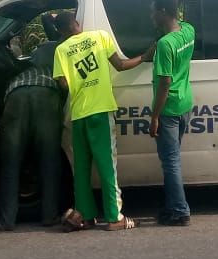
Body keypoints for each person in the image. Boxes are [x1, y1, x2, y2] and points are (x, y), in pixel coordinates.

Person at [54, 18, 152, 231]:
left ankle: (86, 216)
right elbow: (120, 65)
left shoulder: (61, 50)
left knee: (80, 169)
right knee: (107, 165)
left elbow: (63, 84)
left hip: (79, 114)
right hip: (100, 111)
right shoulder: (100, 36)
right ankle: (114, 218)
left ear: (60, 31)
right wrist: (144, 57)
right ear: (77, 23)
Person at [0, 12, 76, 231]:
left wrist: (50, 17)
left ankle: (7, 220)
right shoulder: (68, 49)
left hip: (16, 94)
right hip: (47, 94)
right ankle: (49, 215)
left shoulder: (40, 52)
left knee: (11, 161)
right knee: (49, 159)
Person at [149, 0, 195, 227]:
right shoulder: (188, 31)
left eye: (154, 10)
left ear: (163, 12)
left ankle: (179, 210)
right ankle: (173, 206)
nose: (152, 15)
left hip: (168, 109)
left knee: (170, 161)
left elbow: (164, 82)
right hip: (185, 103)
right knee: (174, 158)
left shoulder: (165, 45)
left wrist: (154, 116)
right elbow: (183, 19)